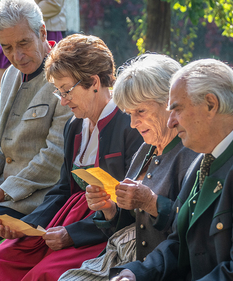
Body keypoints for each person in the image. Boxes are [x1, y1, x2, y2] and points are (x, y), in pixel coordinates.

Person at [0, 34, 143, 281]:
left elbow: (129, 208)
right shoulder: (74, 127)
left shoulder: (129, 126)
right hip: (62, 219)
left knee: (44, 274)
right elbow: (61, 190)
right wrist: (27, 226)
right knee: (2, 259)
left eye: (66, 91)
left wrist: (72, 234)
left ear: (94, 82)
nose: (64, 101)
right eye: (59, 92)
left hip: (102, 229)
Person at [109, 58, 233, 281]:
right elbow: (180, 243)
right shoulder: (206, 157)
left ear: (211, 105)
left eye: (177, 109)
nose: (170, 122)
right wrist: (136, 274)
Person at [58, 54, 198, 281]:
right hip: (120, 260)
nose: (133, 123)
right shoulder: (147, 149)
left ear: (169, 103)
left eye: (140, 111)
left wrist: (151, 202)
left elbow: (192, 231)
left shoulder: (192, 153)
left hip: (157, 271)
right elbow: (129, 226)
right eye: (129, 114)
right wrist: (109, 209)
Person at [0, 0, 72, 253]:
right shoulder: (9, 77)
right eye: (6, 48)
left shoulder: (64, 80)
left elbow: (54, 159)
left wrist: (0, 193)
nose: (17, 55)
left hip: (35, 199)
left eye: (24, 43)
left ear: (42, 31)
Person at [0, 0, 67, 116]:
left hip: (30, 30)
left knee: (47, 105)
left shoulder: (35, 32)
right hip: (9, 33)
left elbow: (53, 2)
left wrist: (20, 21)